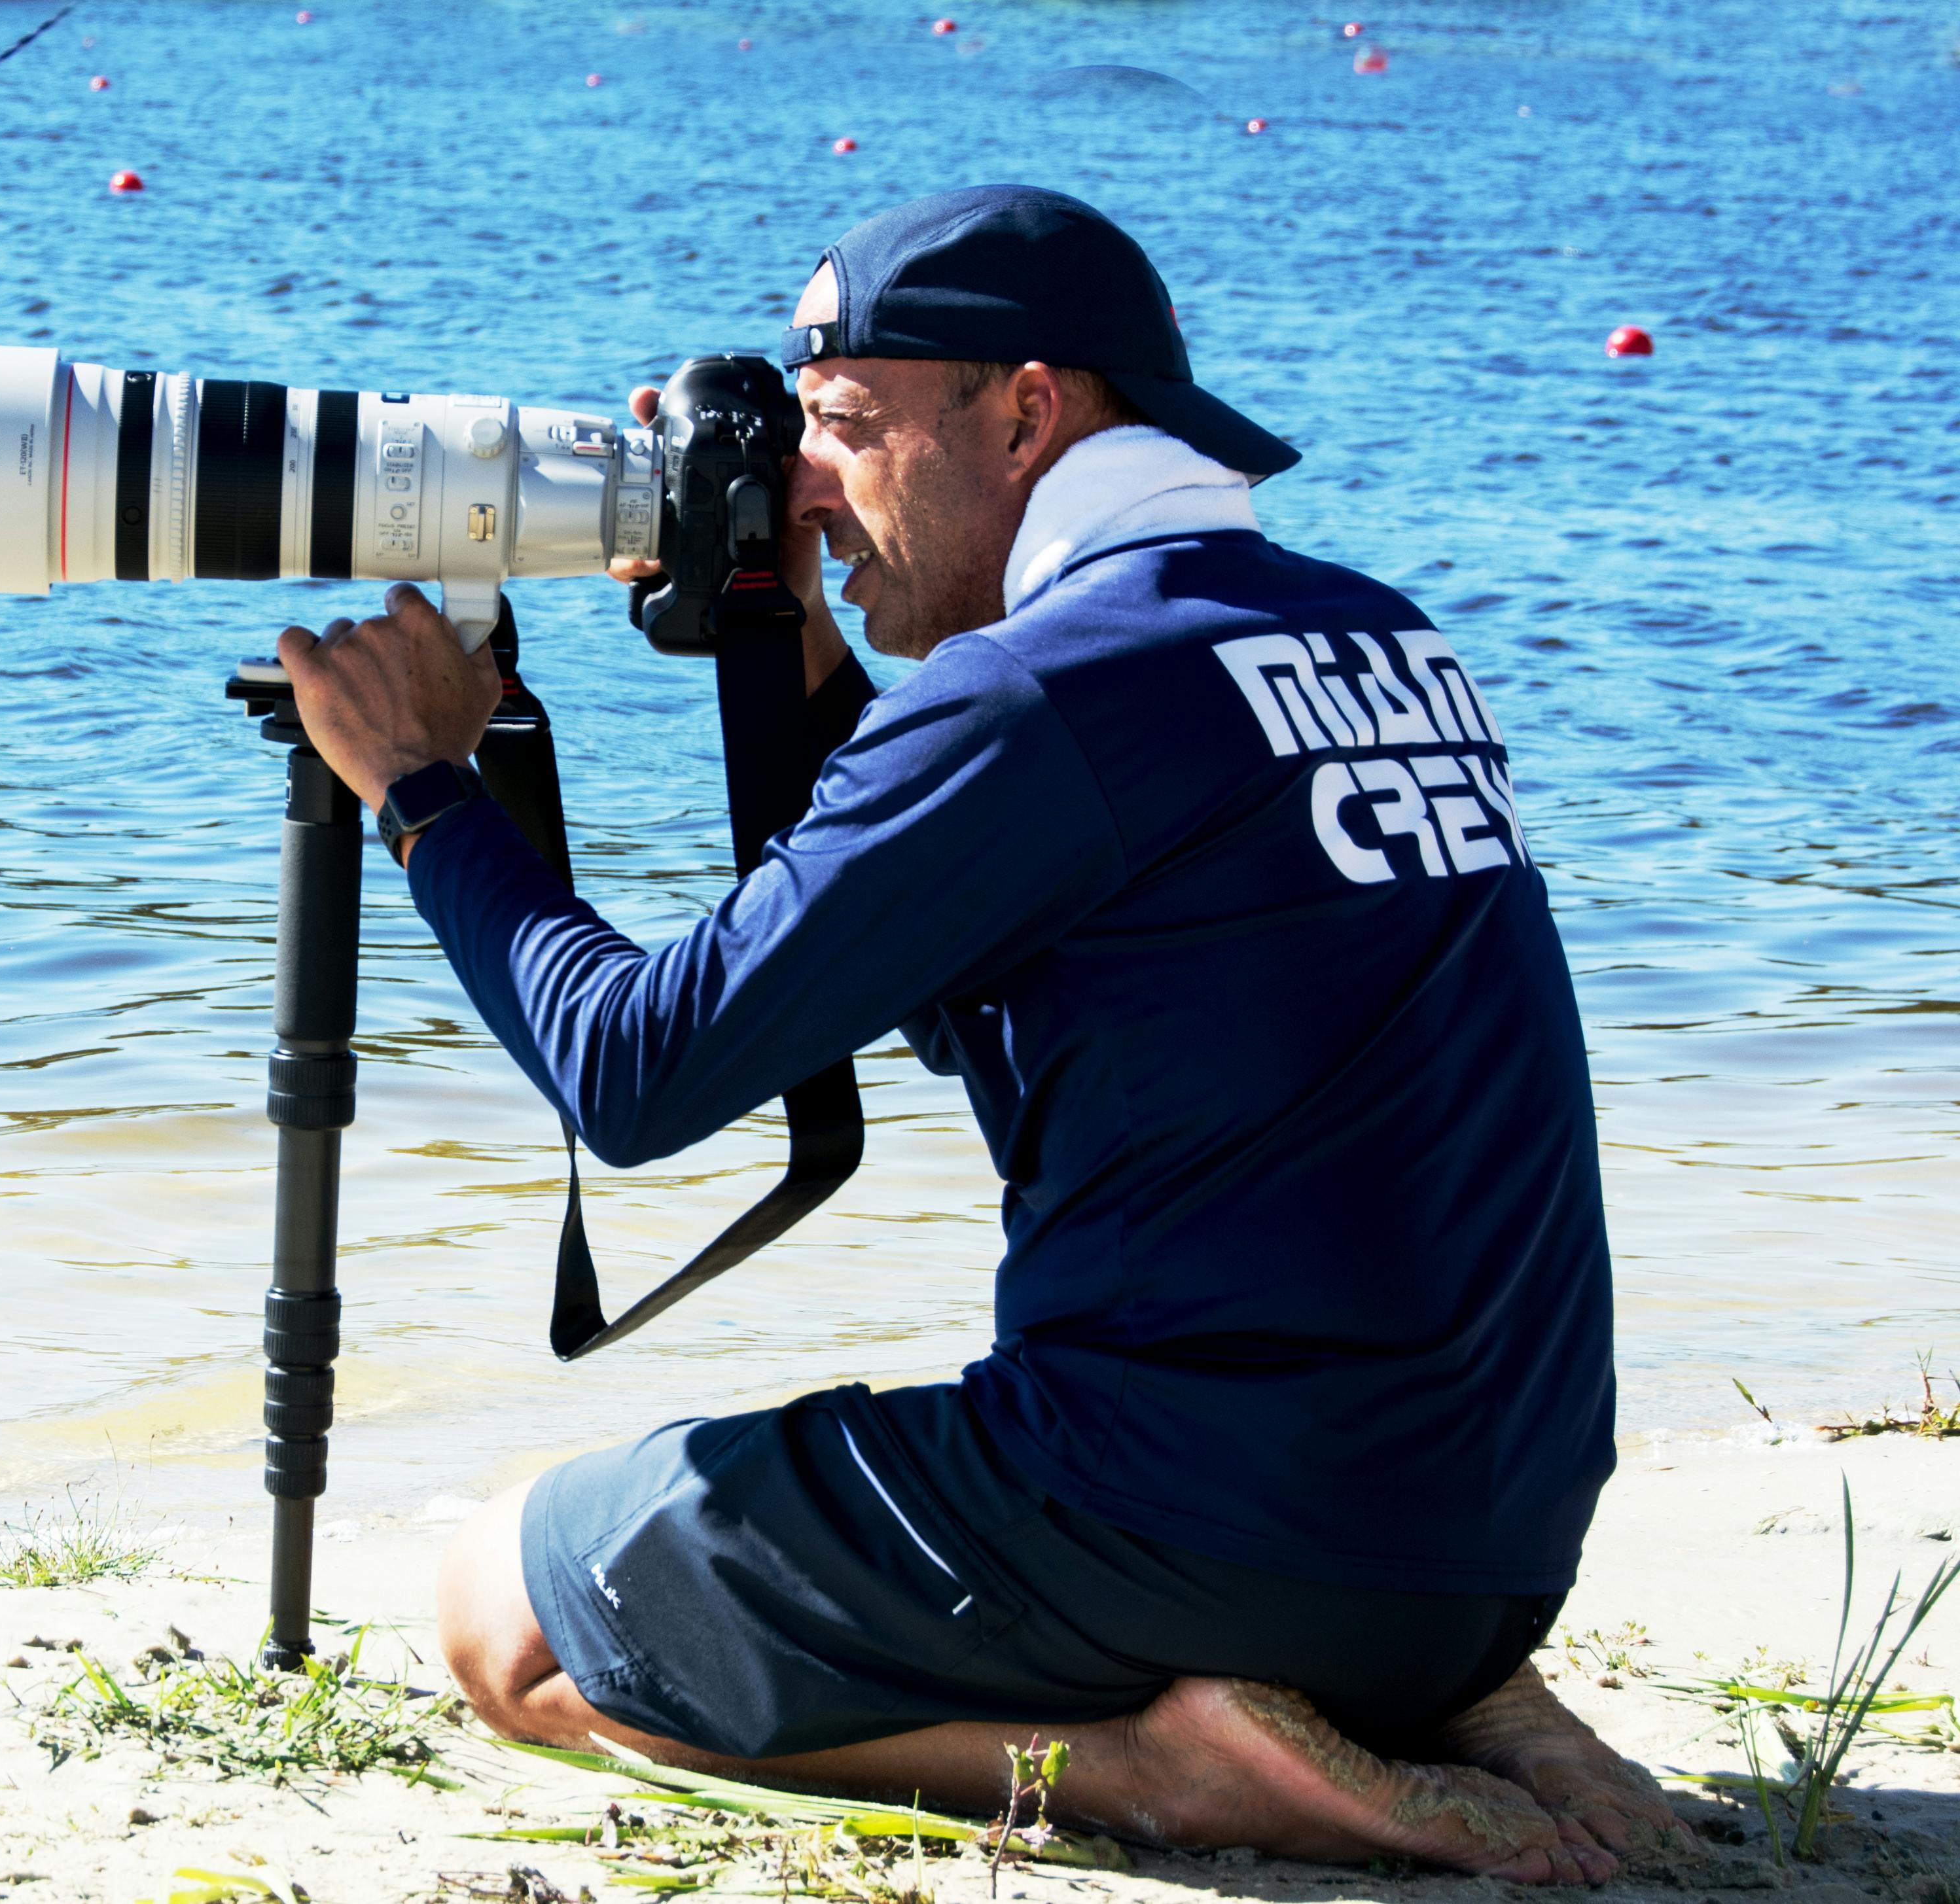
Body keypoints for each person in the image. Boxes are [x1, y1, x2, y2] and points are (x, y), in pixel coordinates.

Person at [276, 186, 1695, 1880]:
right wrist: (791, 619)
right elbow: (978, 985)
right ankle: (1442, 1694)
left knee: (496, 1622)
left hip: (1193, 1521)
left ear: (1027, 412)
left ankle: (1167, 1771)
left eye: (847, 430)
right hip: (1483, 1544)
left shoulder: (1037, 695)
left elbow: (634, 1075)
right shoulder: (1375, 637)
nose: (810, 480)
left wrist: (423, 786)